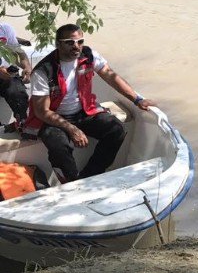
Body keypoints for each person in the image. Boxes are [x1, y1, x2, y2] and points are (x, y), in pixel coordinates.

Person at [24, 24, 155, 182]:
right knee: (58, 145)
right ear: (58, 44)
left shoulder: (89, 55)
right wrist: (72, 129)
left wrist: (137, 99)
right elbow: (41, 112)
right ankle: (71, 181)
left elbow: (110, 75)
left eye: (80, 41)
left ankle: (91, 175)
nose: (77, 46)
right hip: (54, 118)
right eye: (70, 42)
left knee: (115, 131)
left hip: (84, 111)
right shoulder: (43, 71)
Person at [0, 21, 31, 131]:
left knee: (17, 91)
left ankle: (23, 123)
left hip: (6, 73)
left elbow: (19, 53)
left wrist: (27, 68)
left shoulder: (5, 28)